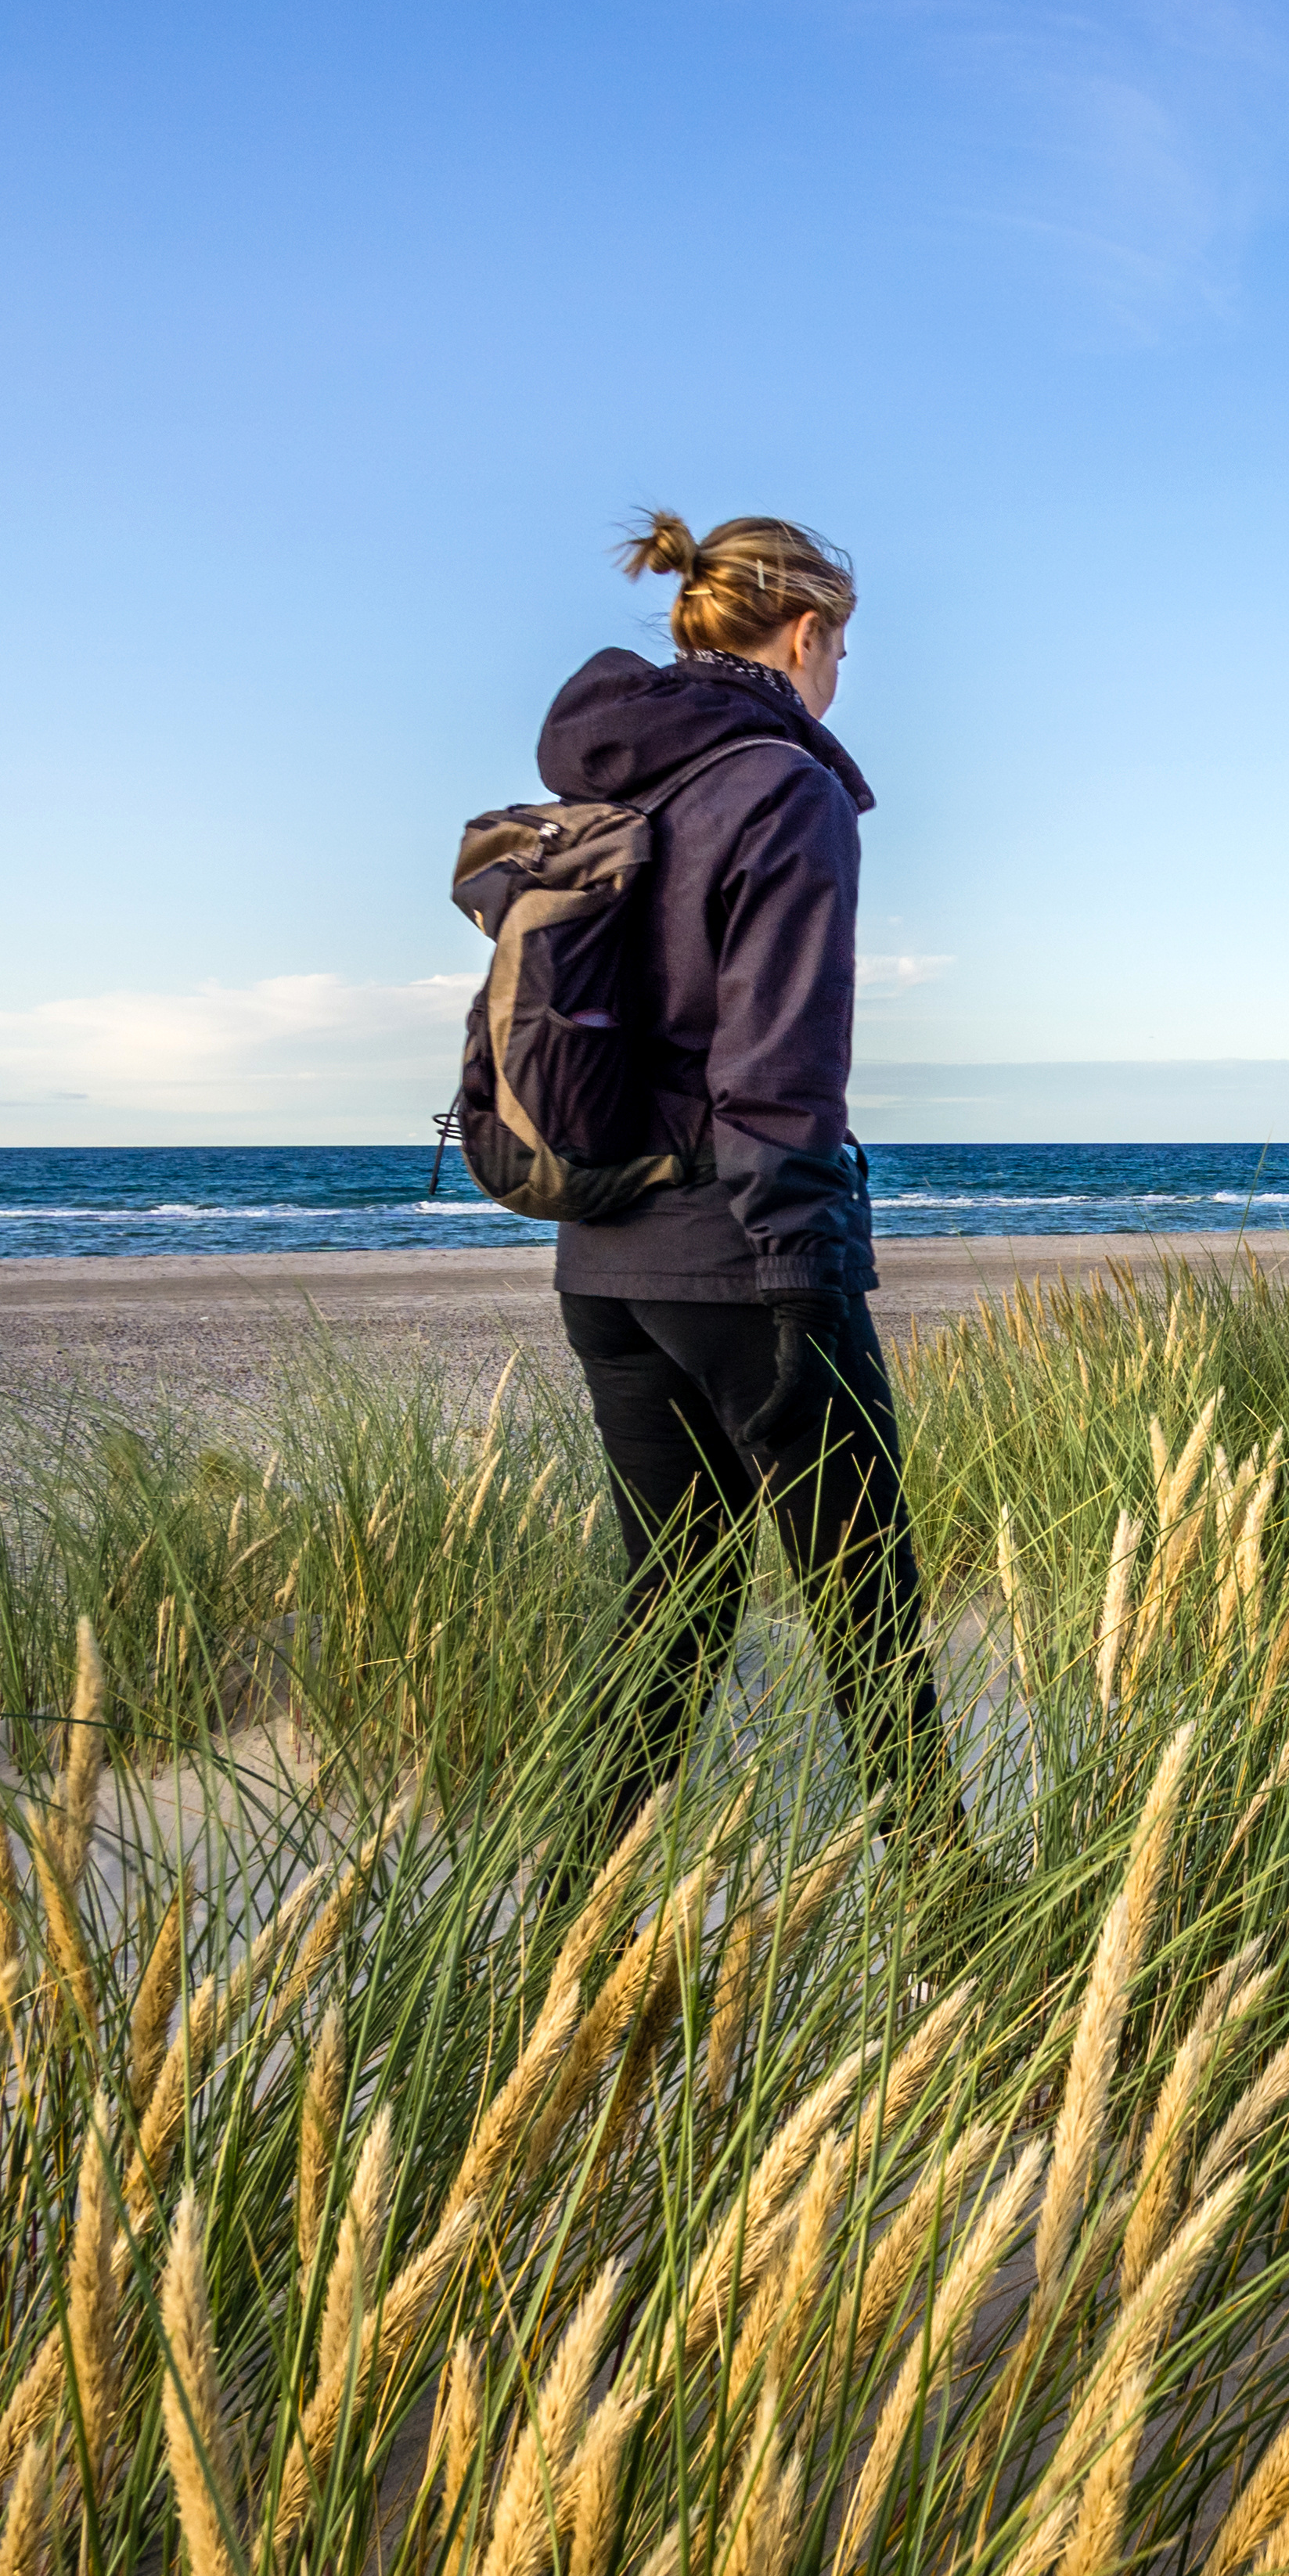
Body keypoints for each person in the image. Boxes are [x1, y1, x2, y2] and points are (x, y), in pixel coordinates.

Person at [530, 509, 963, 1840]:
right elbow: (780, 1059)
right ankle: (948, 1906)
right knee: (867, 1601)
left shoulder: (613, 780)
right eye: (845, 648)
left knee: (674, 1598)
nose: (841, 677)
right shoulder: (785, 782)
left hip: (603, 1258)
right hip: (740, 1253)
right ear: (810, 630)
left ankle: (572, 1910)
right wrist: (802, 1276)